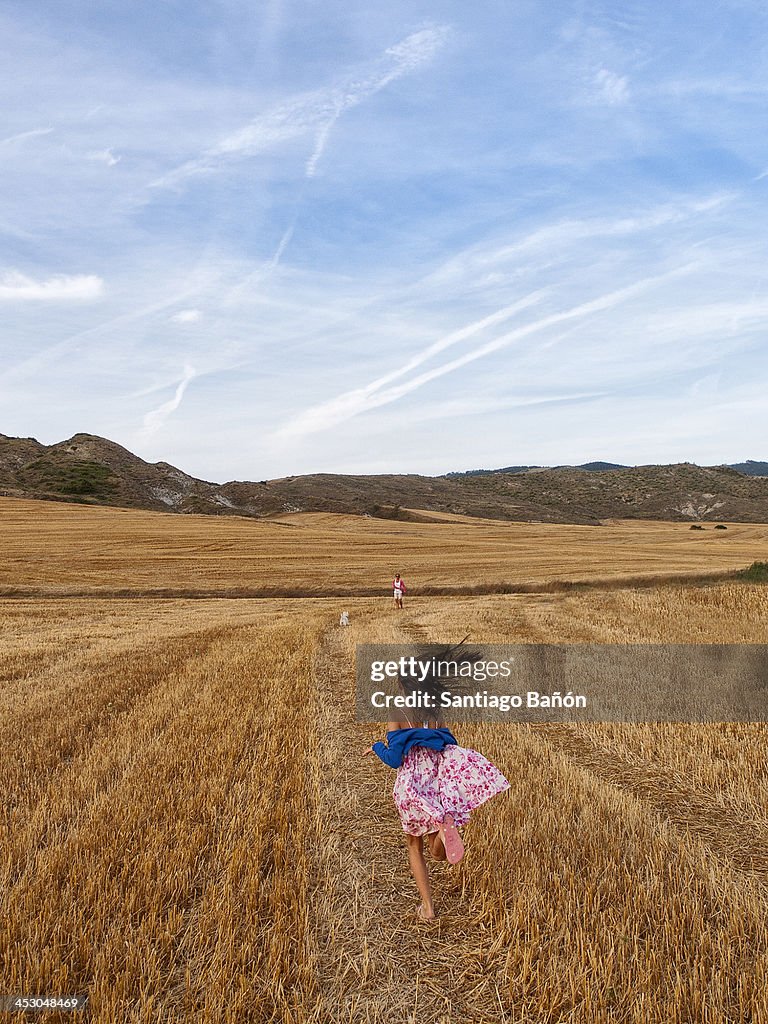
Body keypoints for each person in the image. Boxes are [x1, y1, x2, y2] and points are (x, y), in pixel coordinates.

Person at [364, 710, 510, 922]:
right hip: (435, 783)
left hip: (412, 787)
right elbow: (449, 744)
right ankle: (443, 835)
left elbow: (394, 760)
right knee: (438, 853)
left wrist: (377, 747)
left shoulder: (397, 713)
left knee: (414, 845)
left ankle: (428, 909)